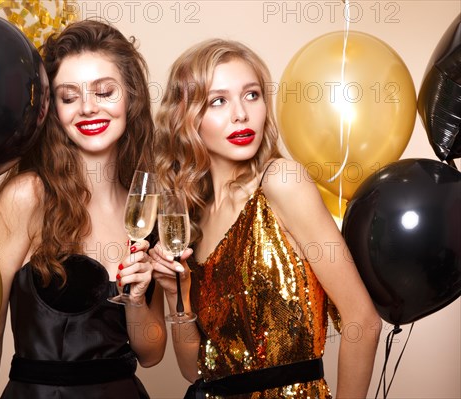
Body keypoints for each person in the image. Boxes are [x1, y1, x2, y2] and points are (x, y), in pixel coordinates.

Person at [150, 38, 381, 399]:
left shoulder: (282, 182)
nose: (241, 114)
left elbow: (363, 322)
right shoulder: (192, 218)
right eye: (218, 101)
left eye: (252, 95)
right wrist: (174, 295)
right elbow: (194, 370)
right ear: (185, 118)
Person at [0, 20, 166, 399]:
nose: (88, 108)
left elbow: (152, 354)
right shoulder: (28, 196)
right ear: (52, 109)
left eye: (105, 92)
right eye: (69, 96)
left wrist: (137, 300)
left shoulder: (145, 211)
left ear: (131, 97)